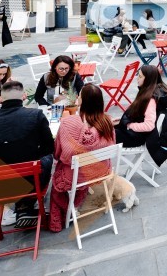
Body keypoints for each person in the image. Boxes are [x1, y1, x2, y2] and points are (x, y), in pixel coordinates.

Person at [0, 81, 53, 228]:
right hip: (31, 180)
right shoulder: (36, 115)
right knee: (47, 158)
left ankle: (23, 208)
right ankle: (25, 206)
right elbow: (49, 147)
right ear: (23, 96)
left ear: (0, 99)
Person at [49, 84, 116, 232]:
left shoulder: (68, 123)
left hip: (78, 174)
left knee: (57, 180)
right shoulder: (107, 122)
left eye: (79, 95)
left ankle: (67, 211)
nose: (77, 98)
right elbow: (111, 146)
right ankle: (76, 203)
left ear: (82, 101)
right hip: (101, 170)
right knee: (73, 166)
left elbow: (62, 155)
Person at [114, 65, 167, 147]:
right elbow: (140, 115)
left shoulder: (150, 99)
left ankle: (94, 158)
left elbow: (149, 126)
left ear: (148, 79)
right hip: (135, 134)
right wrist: (123, 120)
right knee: (103, 130)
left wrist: (129, 125)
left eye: (140, 76)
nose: (137, 78)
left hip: (135, 137)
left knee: (100, 135)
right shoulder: (148, 92)